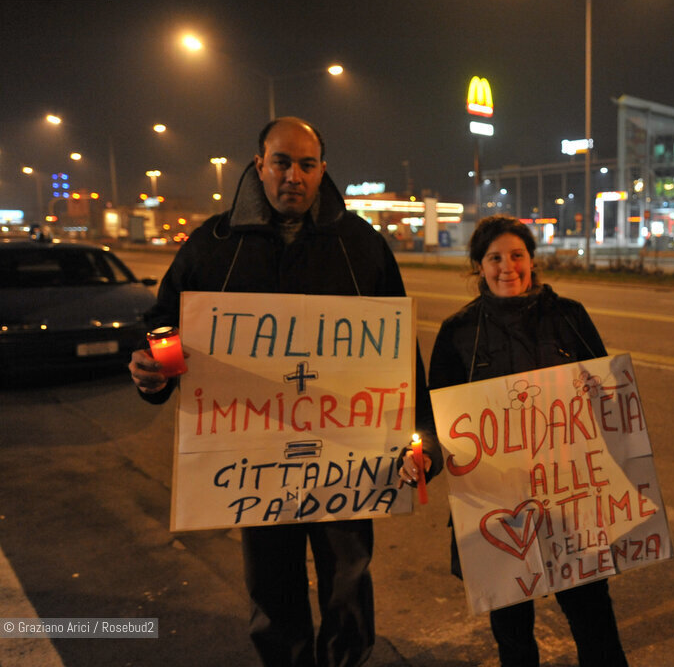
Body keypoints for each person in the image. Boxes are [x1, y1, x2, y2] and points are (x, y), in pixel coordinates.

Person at [129, 117, 443, 667]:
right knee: (272, 588)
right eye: (281, 162)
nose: (293, 176)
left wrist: (425, 439)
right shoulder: (214, 245)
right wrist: (154, 372)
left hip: (347, 461)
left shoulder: (360, 246)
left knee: (348, 583)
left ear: (322, 170)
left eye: (306, 164)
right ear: (259, 165)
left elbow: (399, 353)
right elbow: (164, 326)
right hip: (255, 465)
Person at [427, 215, 629, 667]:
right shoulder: (458, 332)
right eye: (494, 258)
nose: (507, 267)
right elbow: (438, 417)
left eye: (516, 255)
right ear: (479, 266)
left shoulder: (568, 316)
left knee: (593, 618)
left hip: (569, 496)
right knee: (513, 632)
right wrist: (424, 458)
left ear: (532, 260)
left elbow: (605, 393)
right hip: (496, 505)